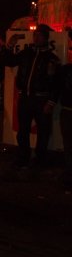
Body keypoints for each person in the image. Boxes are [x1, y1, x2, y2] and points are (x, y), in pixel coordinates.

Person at [5, 24, 60, 169]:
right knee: (23, 131)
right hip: (25, 98)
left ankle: (40, 161)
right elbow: (8, 61)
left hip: (42, 100)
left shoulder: (52, 58)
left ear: (46, 38)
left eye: (40, 35)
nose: (36, 38)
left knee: (43, 132)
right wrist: (9, 46)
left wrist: (51, 102)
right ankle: (22, 158)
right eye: (35, 35)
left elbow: (57, 84)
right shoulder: (26, 53)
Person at [55, 28, 72, 189]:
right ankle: (69, 172)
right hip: (67, 111)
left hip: (67, 111)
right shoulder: (66, 69)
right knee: (68, 143)